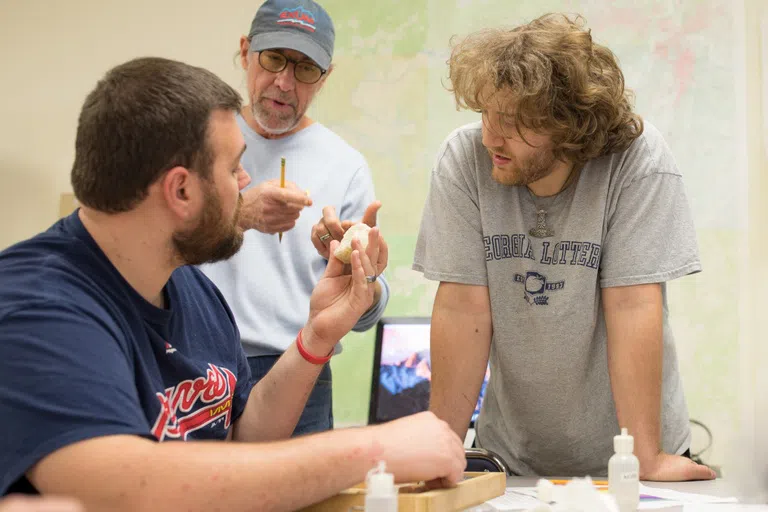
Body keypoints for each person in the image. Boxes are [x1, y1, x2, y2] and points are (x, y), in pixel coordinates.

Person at [0, 56, 465, 510]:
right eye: (233, 169)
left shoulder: (190, 287)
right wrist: (372, 451)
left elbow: (242, 435)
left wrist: (317, 336)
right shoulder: (38, 304)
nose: (245, 182)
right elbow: (120, 491)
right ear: (181, 190)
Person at [413, 13, 717, 481]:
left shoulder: (638, 160)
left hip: (629, 458)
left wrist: (645, 459)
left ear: (569, 126)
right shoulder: (464, 160)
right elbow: (462, 310)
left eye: (512, 123)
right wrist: (442, 451)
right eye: (485, 114)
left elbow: (633, 305)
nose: (491, 136)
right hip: (511, 458)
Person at [200, 0, 389, 436]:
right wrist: (241, 213)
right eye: (273, 59)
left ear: (325, 78)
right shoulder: (202, 137)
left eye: (305, 69)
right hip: (199, 364)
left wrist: (361, 274)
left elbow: (363, 315)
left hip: (302, 366)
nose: (284, 83)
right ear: (246, 51)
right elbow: (157, 239)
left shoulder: (345, 165)